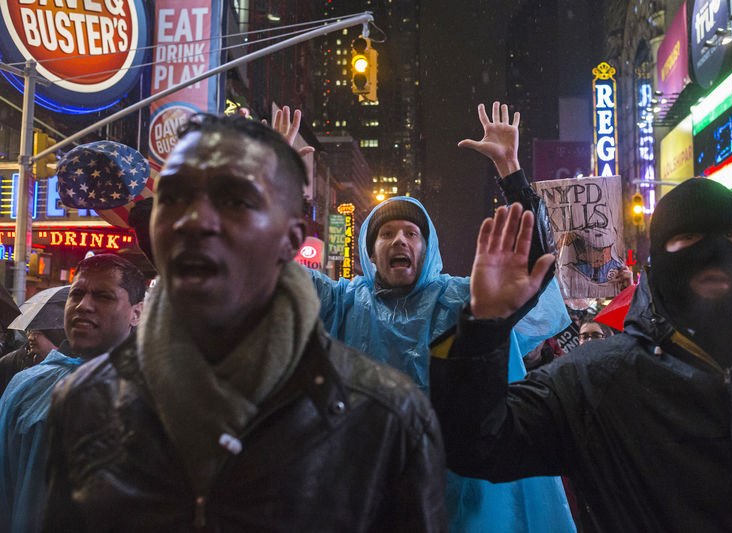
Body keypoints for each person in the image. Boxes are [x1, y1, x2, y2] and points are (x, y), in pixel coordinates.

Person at [43, 114, 446, 531]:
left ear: (291, 238)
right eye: (174, 198)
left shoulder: (388, 416)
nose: (194, 221)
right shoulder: (85, 400)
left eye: (234, 201)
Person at [430, 178, 732, 531]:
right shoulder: (593, 380)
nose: (715, 252)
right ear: (657, 261)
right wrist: (481, 328)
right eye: (689, 237)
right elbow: (479, 441)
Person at [284, 102, 575, 532]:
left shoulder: (461, 298)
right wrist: (272, 177)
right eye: (386, 233)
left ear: (426, 247)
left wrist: (510, 169)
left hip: (461, 495)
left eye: (411, 233)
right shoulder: (342, 301)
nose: (399, 240)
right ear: (370, 250)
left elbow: (531, 267)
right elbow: (270, 269)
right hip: (366, 489)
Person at [0, 254, 145, 533]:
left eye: (103, 296)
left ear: (136, 313)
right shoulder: (25, 385)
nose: (83, 306)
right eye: (76, 294)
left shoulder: (158, 391)